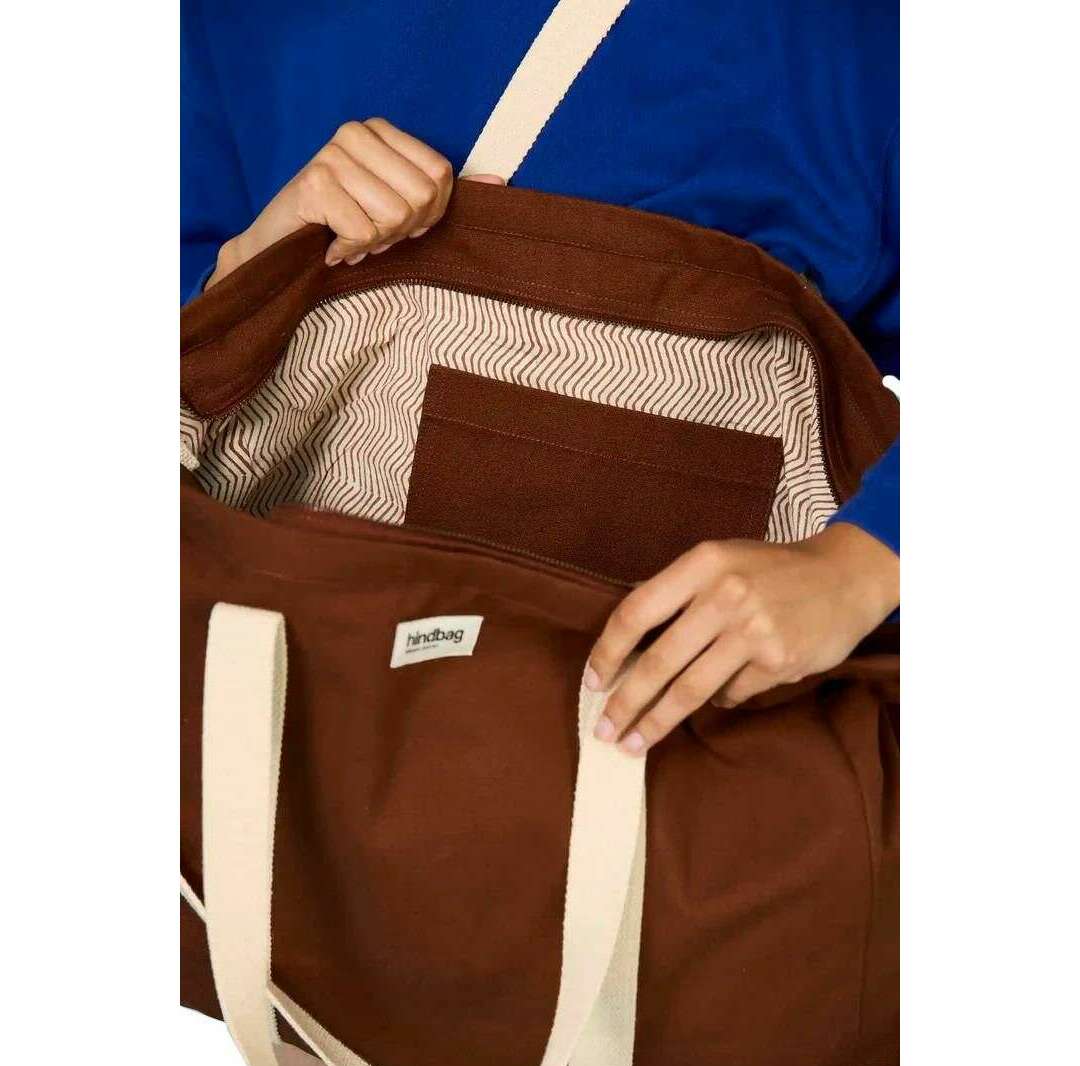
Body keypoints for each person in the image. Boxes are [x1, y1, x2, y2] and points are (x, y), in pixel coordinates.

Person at [182, 1, 899, 756]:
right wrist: (246, 266)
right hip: (254, 744)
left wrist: (864, 564)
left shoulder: (854, 43)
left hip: (692, 782)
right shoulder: (237, 21)